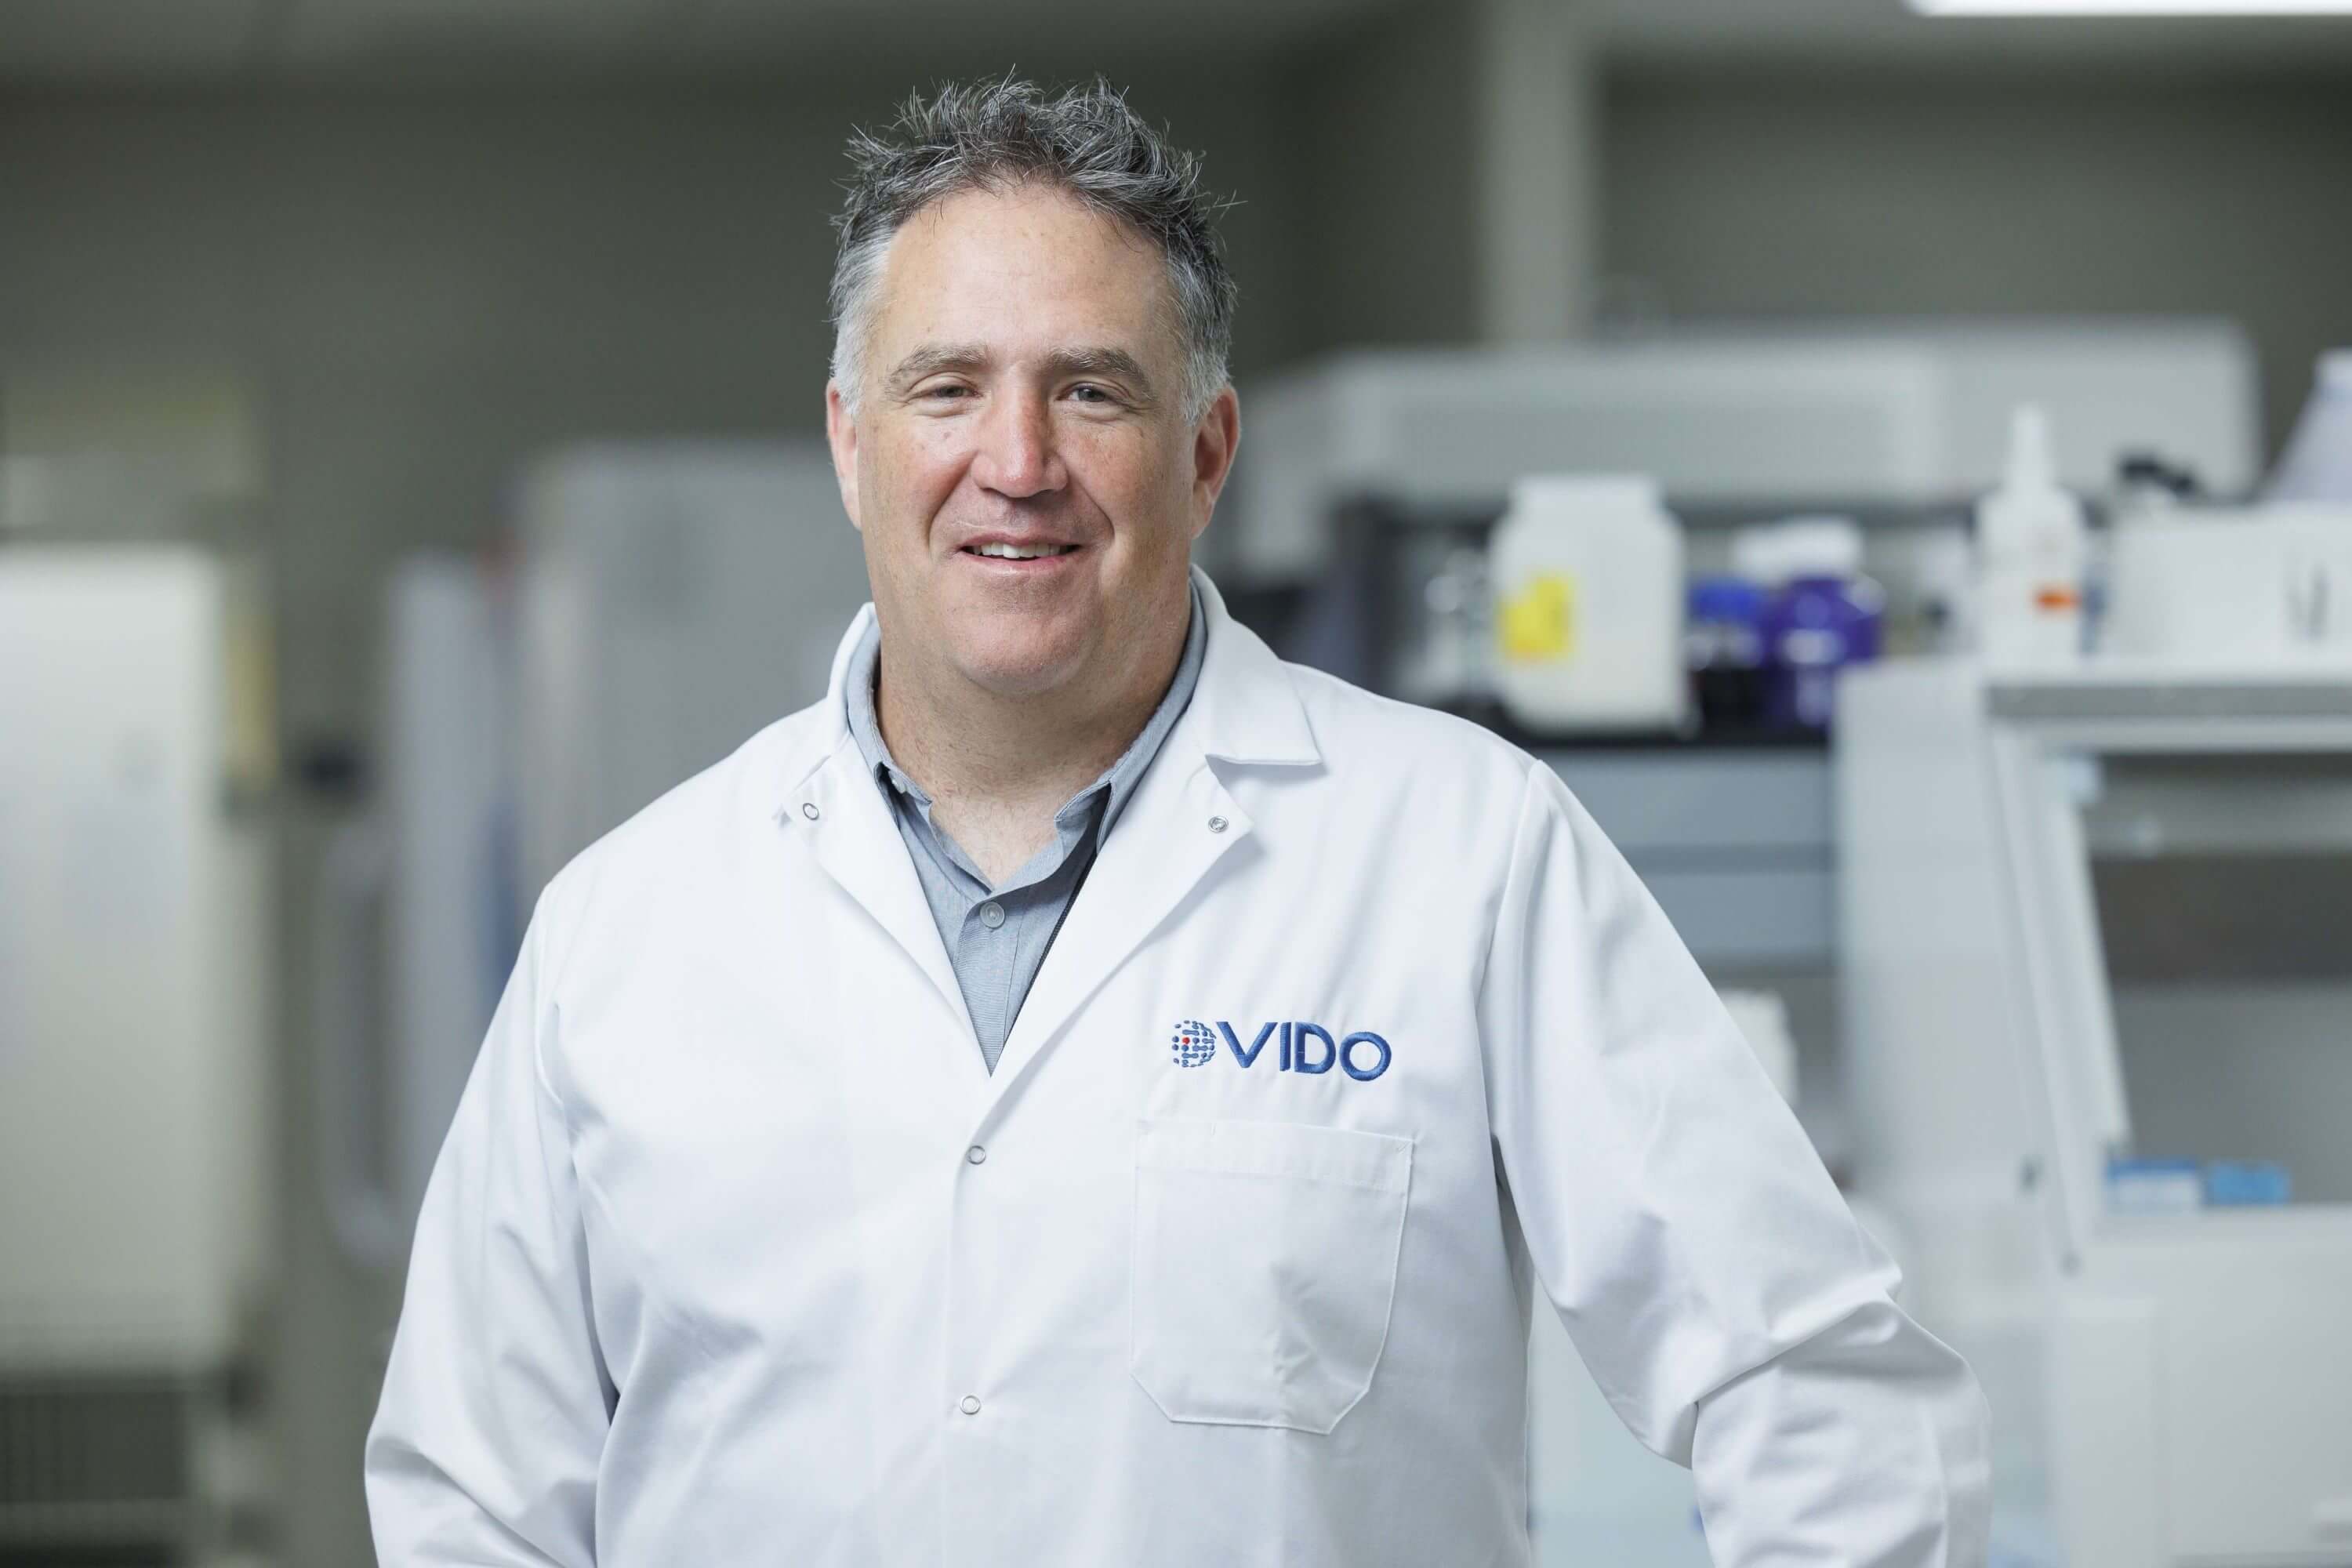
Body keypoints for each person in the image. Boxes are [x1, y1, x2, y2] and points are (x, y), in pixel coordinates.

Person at [365, 77, 1990, 1566]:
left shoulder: (1463, 854)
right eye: (948, 388)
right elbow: (474, 1501)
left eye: (1091, 392)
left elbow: (1824, 1394)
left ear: (1206, 453)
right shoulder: (629, 930)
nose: (1017, 463)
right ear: (853, 447)